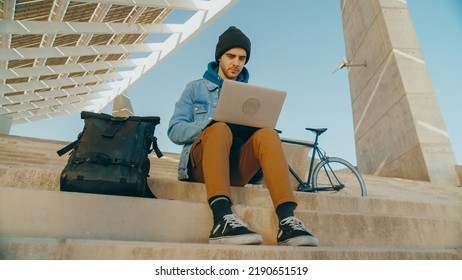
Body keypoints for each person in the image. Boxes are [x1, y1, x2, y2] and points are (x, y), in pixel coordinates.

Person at [168, 26, 319, 246]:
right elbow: (174, 130)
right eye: (231, 56)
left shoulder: (251, 95)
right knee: (219, 129)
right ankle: (221, 218)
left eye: (242, 58)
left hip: (235, 169)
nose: (236, 63)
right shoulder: (195, 89)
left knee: (268, 134)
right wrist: (210, 124)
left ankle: (287, 221)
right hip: (201, 166)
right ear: (219, 56)